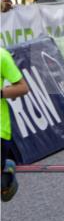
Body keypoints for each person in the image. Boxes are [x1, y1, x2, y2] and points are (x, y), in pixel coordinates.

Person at [1, 47, 29, 202]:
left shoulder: (1, 56)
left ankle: (6, 177)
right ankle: (5, 174)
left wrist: (1, 93)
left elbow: (23, 87)